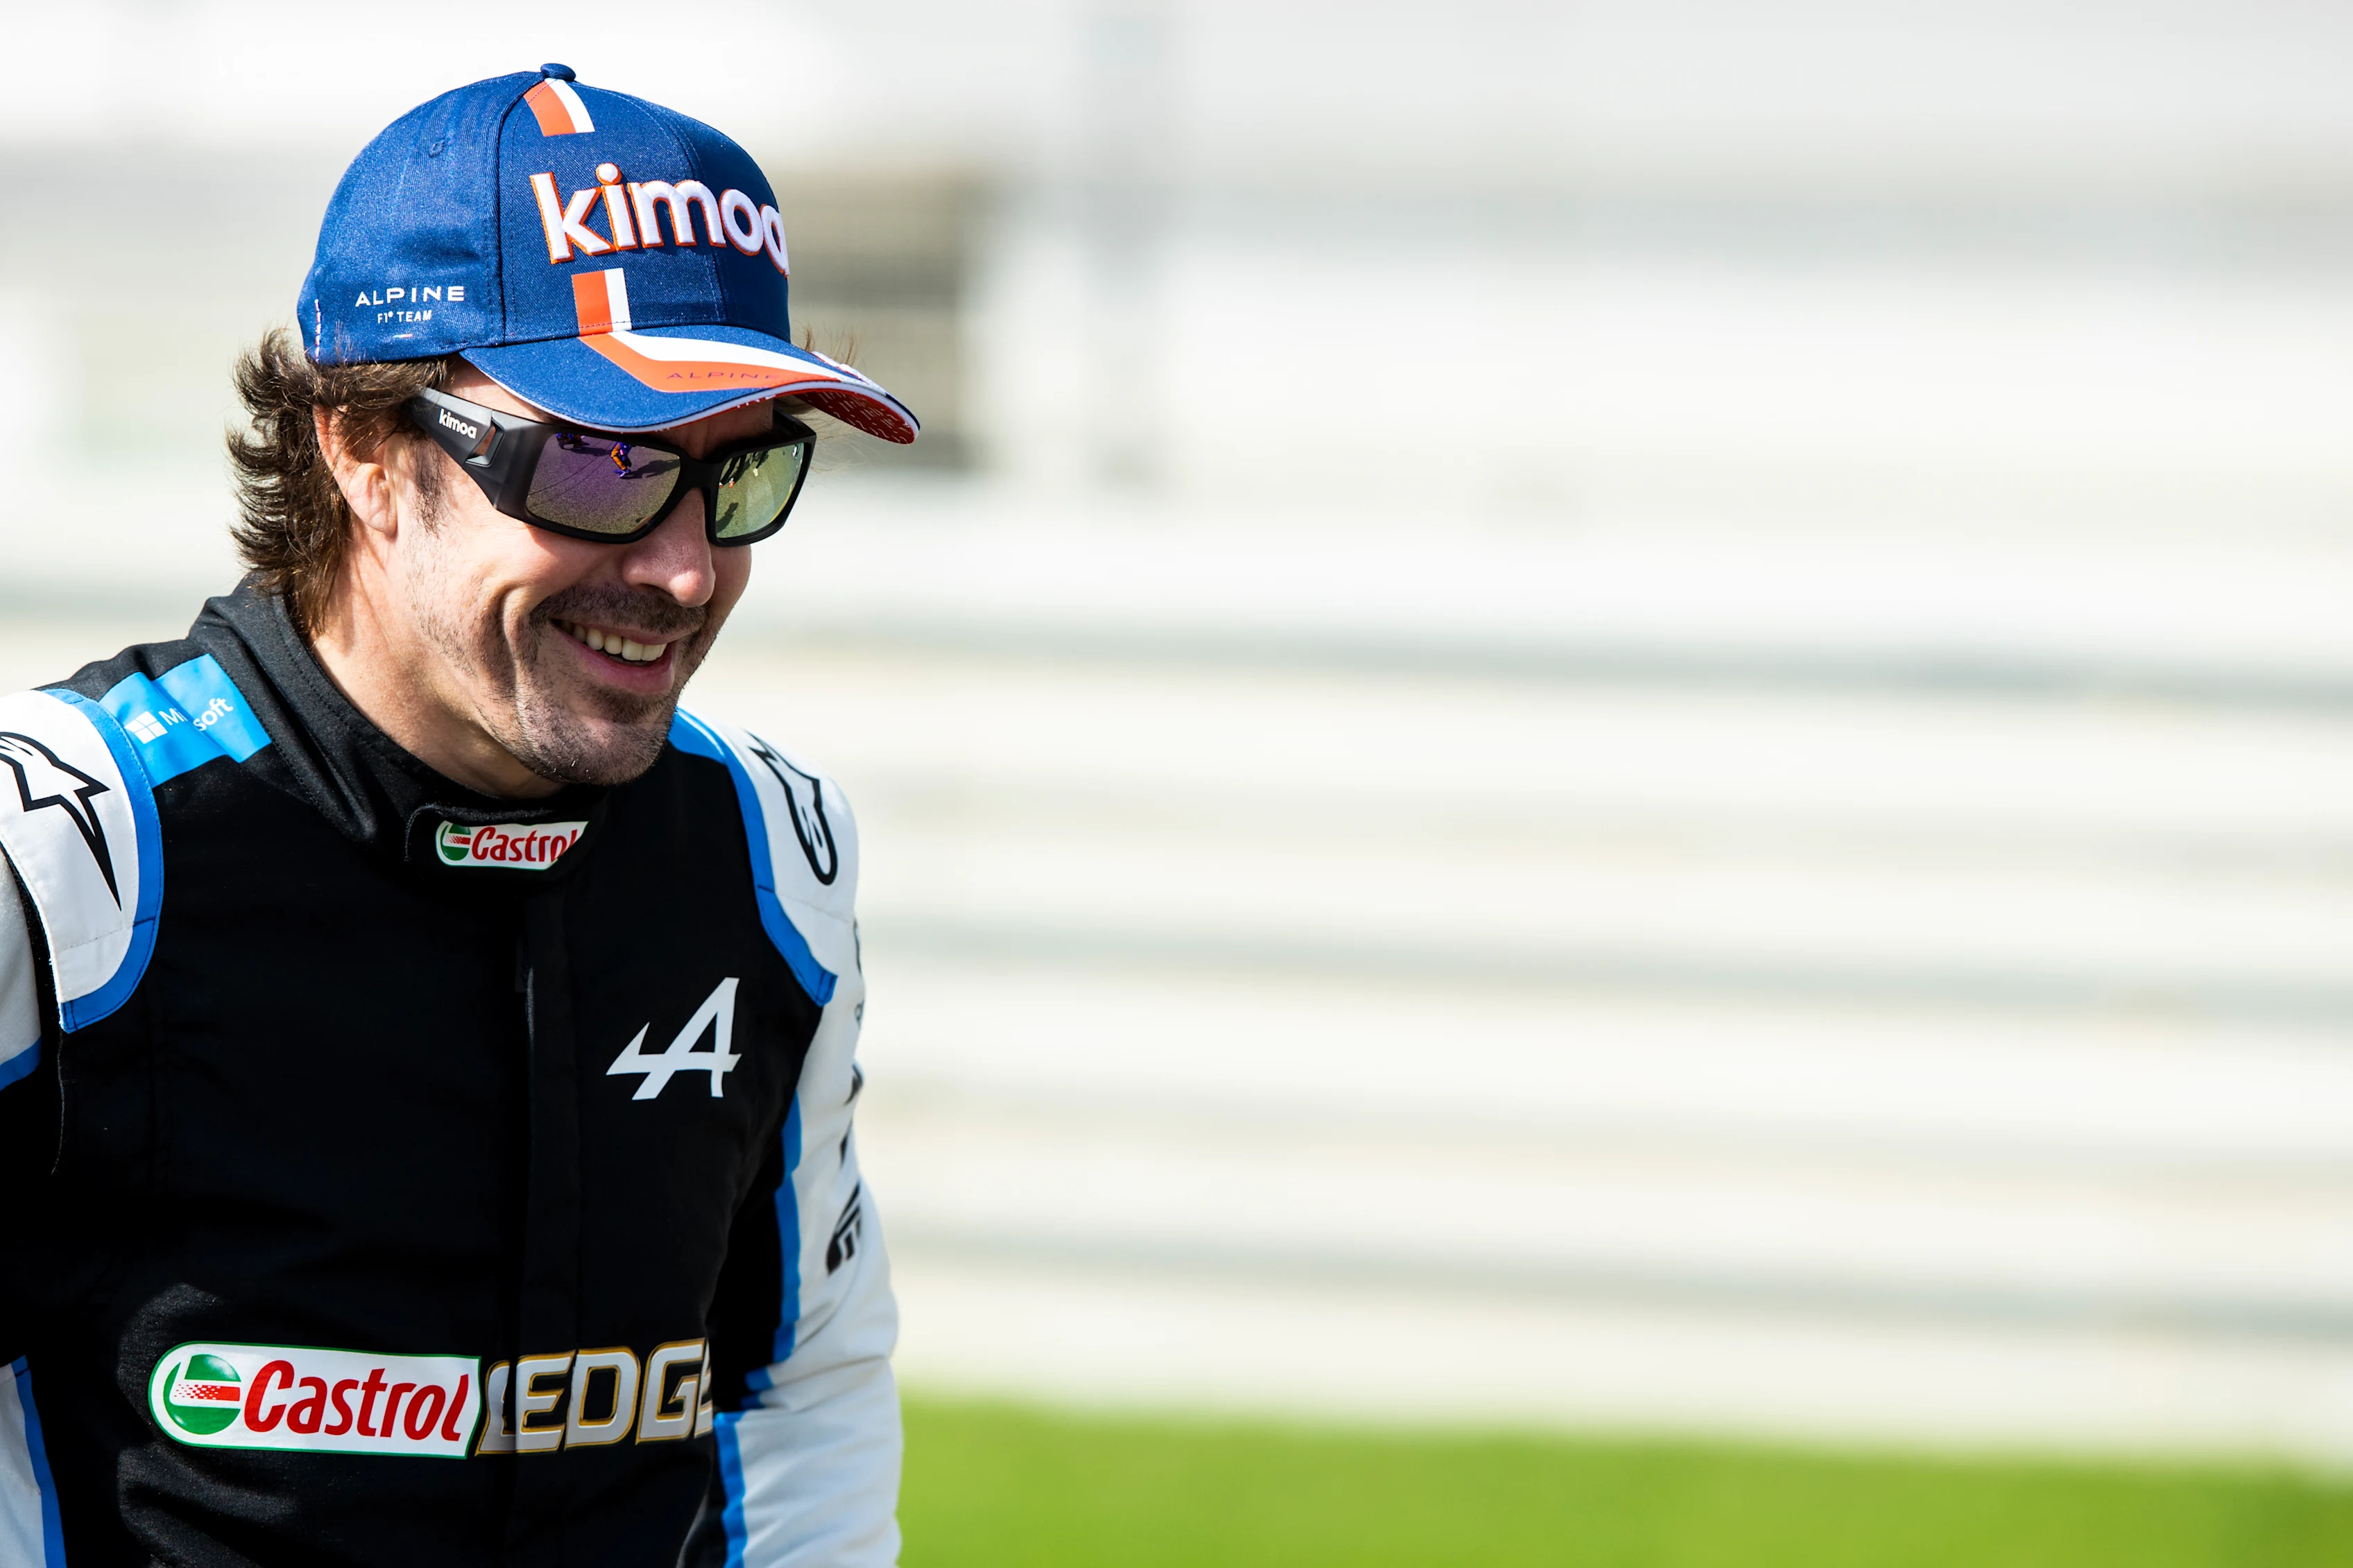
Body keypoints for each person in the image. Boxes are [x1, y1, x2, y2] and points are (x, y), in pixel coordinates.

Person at [0, 64, 918, 1567]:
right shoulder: (65, 856)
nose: (686, 570)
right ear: (363, 451)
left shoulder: (768, 856)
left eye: (735, 472)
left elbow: (797, 1378)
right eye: (603, 461)